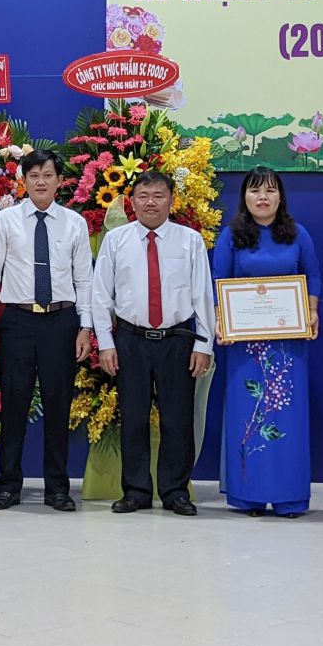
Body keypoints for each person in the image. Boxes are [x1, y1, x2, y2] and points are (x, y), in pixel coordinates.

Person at [92, 171, 215, 516]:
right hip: (130, 339)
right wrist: (106, 343)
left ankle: (175, 492)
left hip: (177, 339)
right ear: (131, 201)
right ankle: (135, 491)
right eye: (143, 196)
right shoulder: (116, 240)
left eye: (159, 196)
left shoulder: (190, 240)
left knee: (178, 419)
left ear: (172, 200)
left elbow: (203, 294)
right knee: (133, 418)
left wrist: (204, 345)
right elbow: (101, 294)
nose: (150, 203)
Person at [0, 148, 93, 511]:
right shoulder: (6, 220)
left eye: (47, 175)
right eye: (34, 176)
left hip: (62, 321)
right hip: (18, 321)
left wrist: (85, 326)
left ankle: (57, 488)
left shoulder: (74, 223)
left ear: (60, 181)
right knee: (14, 405)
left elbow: (84, 279)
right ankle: (8, 486)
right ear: (23, 181)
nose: (41, 182)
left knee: (59, 407)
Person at [209, 167, 320, 517]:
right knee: (248, 414)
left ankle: (290, 497)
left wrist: (312, 311)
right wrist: (220, 319)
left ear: (280, 196)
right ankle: (249, 496)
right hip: (245, 345)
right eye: (255, 190)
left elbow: (313, 275)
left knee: (287, 417)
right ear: (244, 196)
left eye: (270, 191)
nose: (262, 197)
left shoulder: (298, 234)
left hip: (287, 344)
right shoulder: (231, 235)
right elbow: (218, 279)